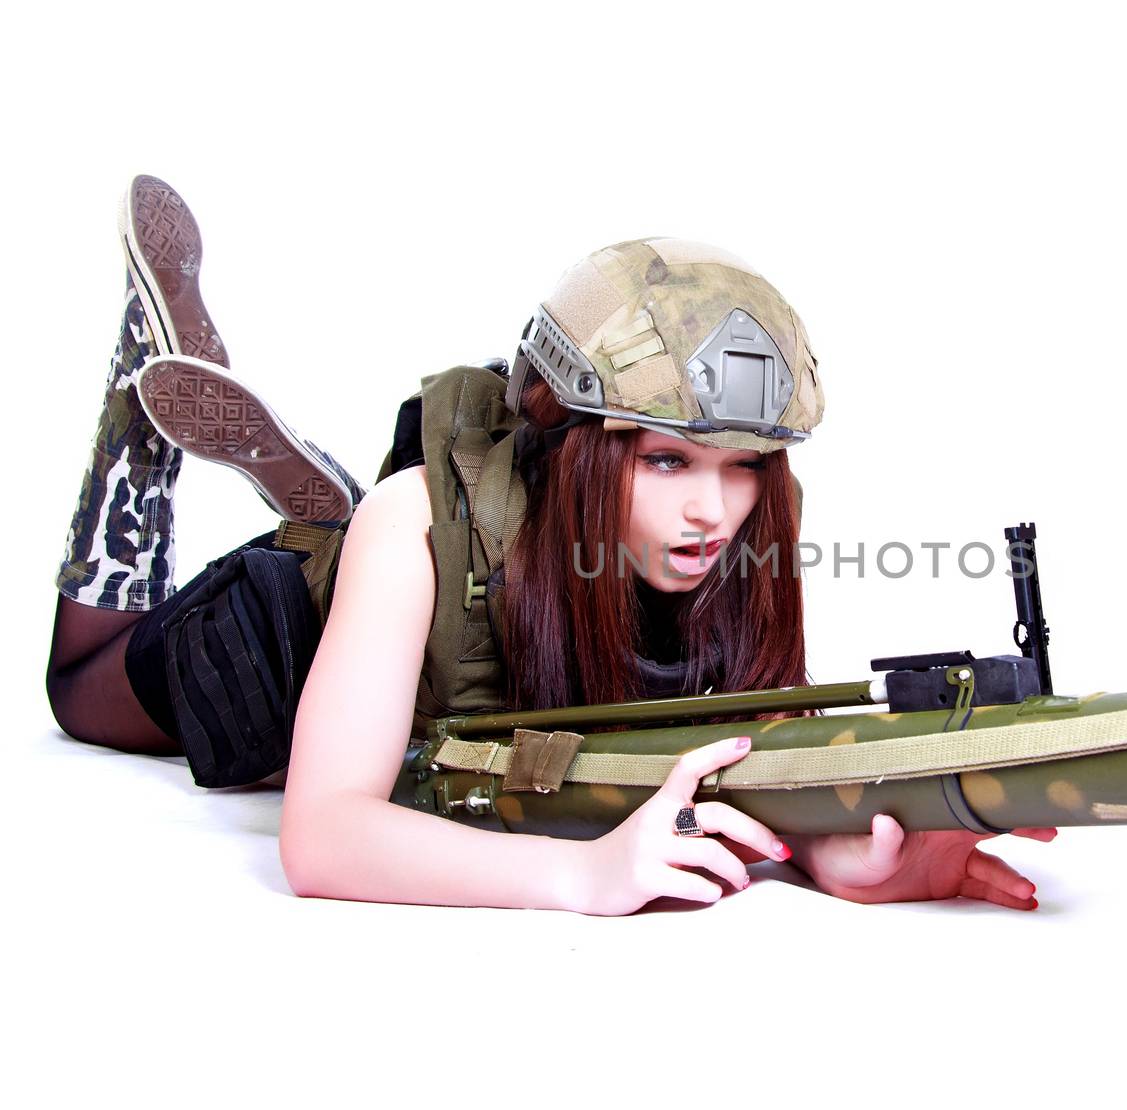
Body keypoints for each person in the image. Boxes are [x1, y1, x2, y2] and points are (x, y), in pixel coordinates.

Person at [46, 175, 1058, 916]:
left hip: (438, 700)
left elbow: (745, 765)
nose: (715, 508)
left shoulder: (723, 562)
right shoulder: (420, 536)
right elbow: (323, 838)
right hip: (294, 646)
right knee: (80, 684)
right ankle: (154, 407)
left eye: (744, 465)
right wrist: (580, 875)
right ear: (572, 450)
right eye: (665, 461)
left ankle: (330, 510)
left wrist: (850, 860)